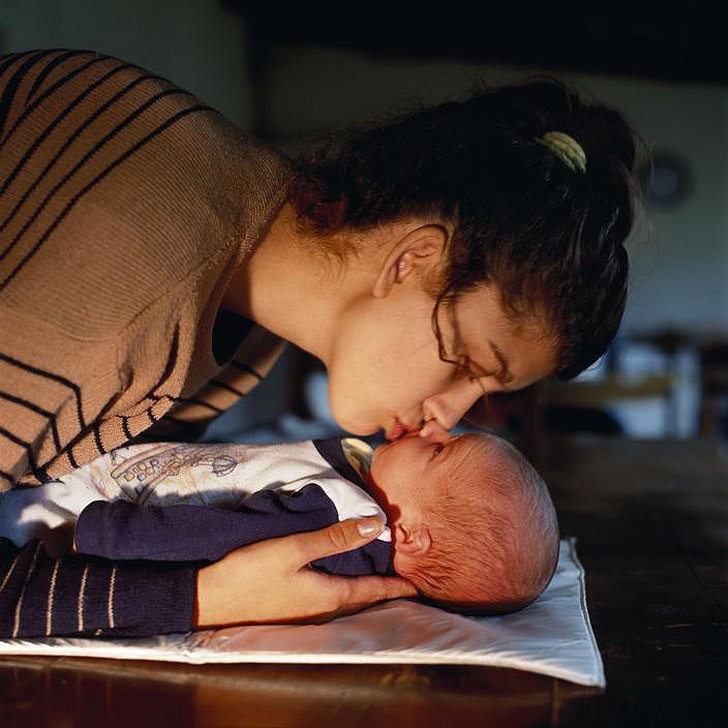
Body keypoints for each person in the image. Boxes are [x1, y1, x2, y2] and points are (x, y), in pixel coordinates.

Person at [0, 49, 638, 637]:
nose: (449, 415)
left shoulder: (248, 328)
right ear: (415, 259)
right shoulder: (128, 277)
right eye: (470, 363)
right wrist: (201, 599)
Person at [3, 428, 559, 617]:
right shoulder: (358, 487)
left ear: (408, 534)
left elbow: (222, 537)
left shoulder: (343, 518)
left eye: (441, 451)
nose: (436, 430)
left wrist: (110, 532)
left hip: (75, 507)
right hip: (95, 476)